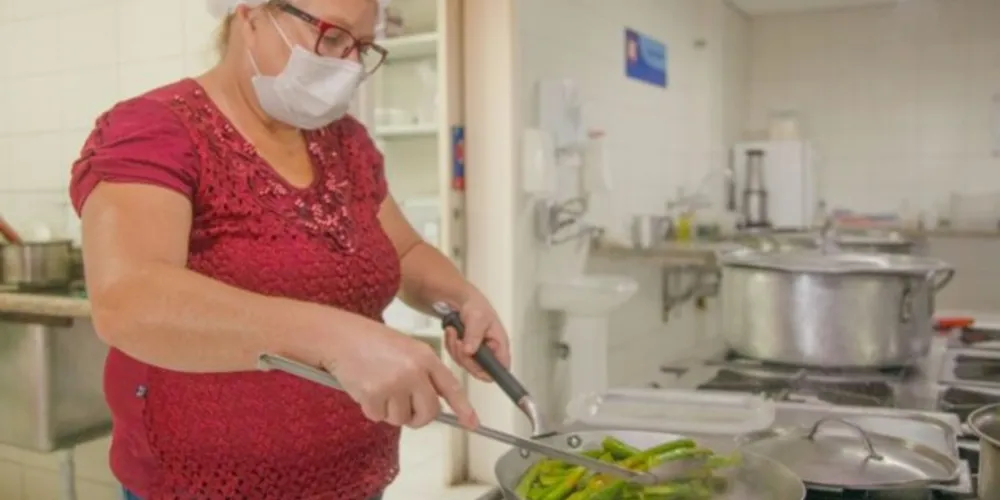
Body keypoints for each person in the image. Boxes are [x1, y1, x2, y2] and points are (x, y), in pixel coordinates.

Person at [68, 0, 511, 498]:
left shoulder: (346, 143)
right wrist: (335, 339)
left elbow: (403, 251)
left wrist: (463, 297)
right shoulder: (155, 130)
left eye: (362, 48)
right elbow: (130, 300)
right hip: (203, 483)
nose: (346, 65)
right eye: (333, 37)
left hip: (355, 479)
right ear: (251, 14)